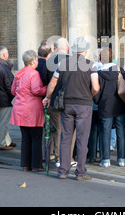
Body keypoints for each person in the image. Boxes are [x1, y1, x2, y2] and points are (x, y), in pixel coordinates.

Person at [43, 37, 100, 180]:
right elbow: (96, 87)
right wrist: (89, 95)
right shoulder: (91, 65)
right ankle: (80, 172)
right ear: (86, 51)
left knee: (65, 138)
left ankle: (63, 171)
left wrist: (48, 97)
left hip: (66, 105)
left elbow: (53, 82)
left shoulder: (63, 63)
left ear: (73, 50)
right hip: (84, 105)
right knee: (82, 139)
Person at [10, 50, 48, 172]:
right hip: (32, 109)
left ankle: (26, 164)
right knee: (36, 137)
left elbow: (12, 91)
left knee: (25, 137)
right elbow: (36, 90)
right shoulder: (34, 74)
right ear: (33, 61)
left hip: (20, 108)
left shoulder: (19, 73)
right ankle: (36, 165)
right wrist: (47, 88)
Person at [94, 47, 125, 168]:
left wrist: (98, 101)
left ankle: (105, 160)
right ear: (111, 57)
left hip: (105, 106)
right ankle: (122, 159)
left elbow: (95, 91)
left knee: (105, 132)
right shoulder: (120, 70)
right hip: (120, 105)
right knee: (120, 132)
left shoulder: (98, 73)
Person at [45, 37, 76, 167]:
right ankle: (68, 157)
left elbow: (46, 81)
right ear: (68, 48)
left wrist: (47, 97)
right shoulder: (73, 62)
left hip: (53, 100)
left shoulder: (49, 61)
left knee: (56, 129)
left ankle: (56, 156)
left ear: (56, 48)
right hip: (68, 100)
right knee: (69, 130)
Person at [0, 46, 16, 151]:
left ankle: (7, 140)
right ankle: (1, 143)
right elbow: (10, 86)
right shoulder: (4, 68)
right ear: (4, 55)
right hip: (4, 100)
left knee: (0, 121)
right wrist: (13, 97)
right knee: (3, 123)